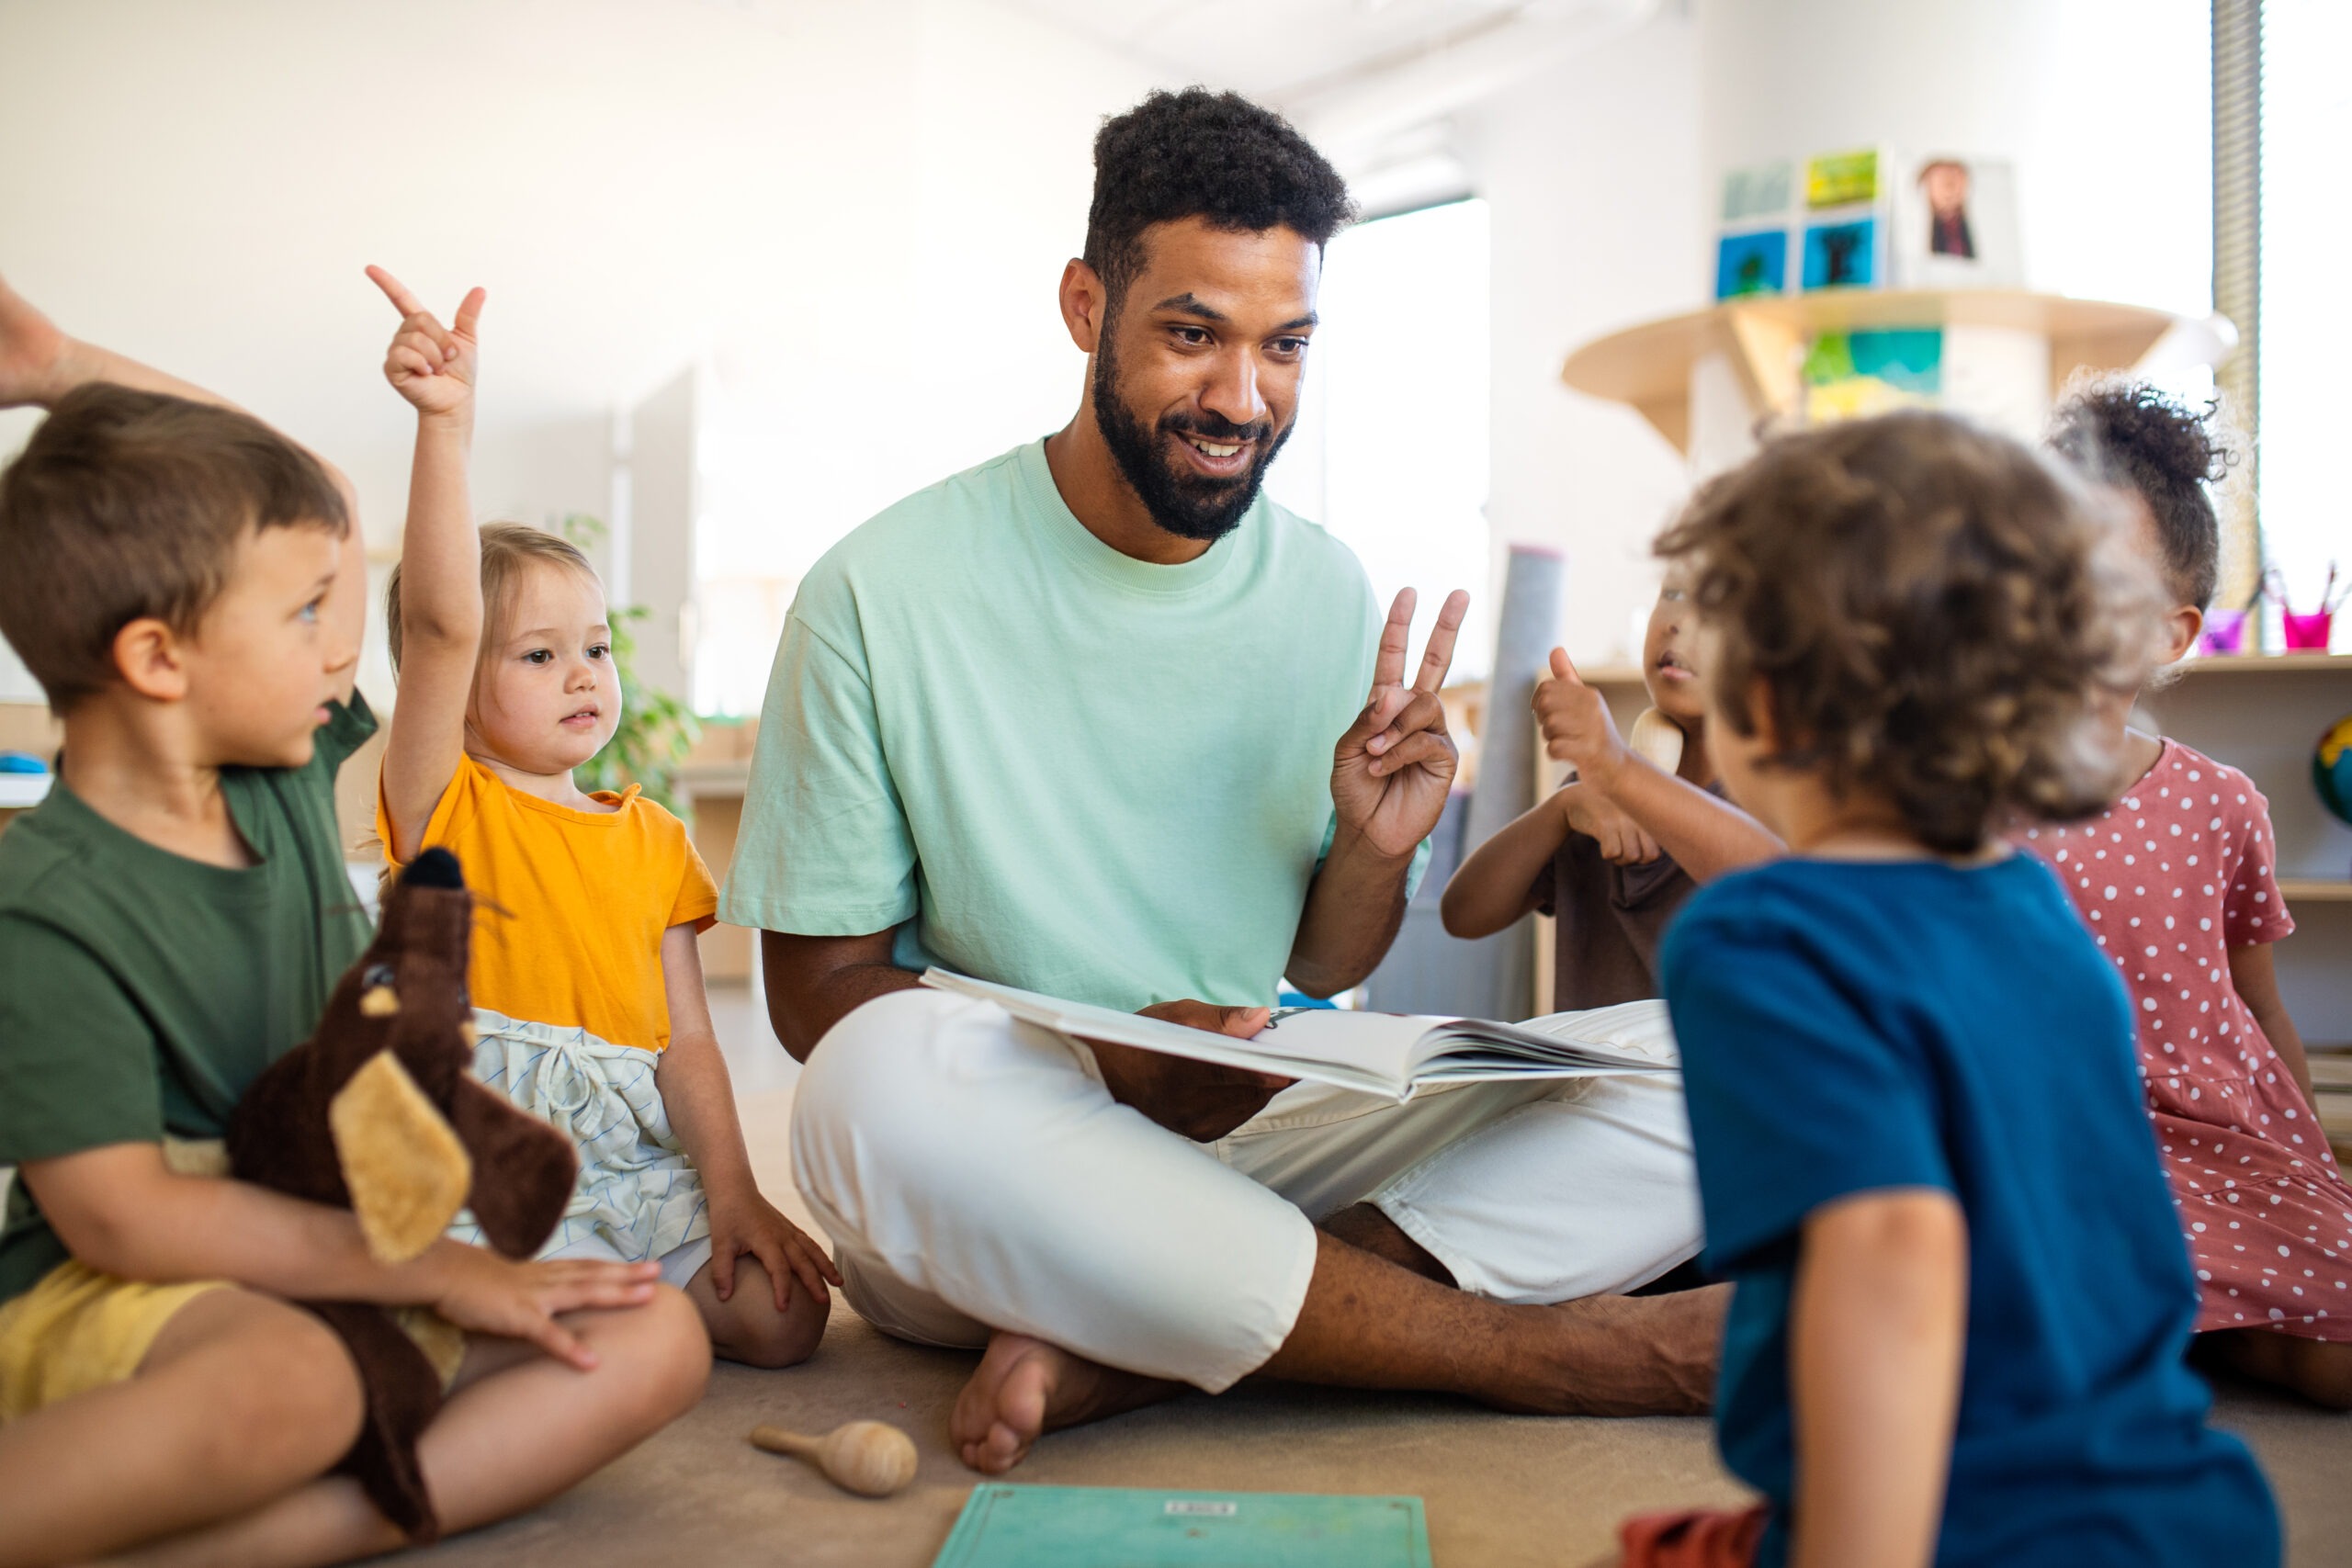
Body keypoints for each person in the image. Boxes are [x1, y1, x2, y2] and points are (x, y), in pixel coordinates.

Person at [722, 87, 1719, 1475]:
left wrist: (1375, 848)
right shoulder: (875, 592)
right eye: (1194, 335)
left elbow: (1321, 956)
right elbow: (814, 1000)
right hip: (1011, 1180)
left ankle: (1139, 1352)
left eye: (1285, 345)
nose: (1242, 400)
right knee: (870, 1083)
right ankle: (1534, 1353)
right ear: (1086, 306)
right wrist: (1105, 1061)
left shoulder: (1323, 589)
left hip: (1268, 1135)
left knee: (1735, 1054)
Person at [0, 274, 708, 1566]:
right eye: (308, 613)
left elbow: (381, 561)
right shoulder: (44, 905)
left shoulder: (271, 776)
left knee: (654, 1332)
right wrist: (440, 1273)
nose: (347, 648)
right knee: (300, 1381)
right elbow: (126, 1220)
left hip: (345, 1242)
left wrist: (57, 367)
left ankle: (274, 1530)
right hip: (127, 1290)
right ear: (164, 660)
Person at [1622, 410, 2278, 1567]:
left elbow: (1889, 1255)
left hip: (1969, 1531)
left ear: (1761, 706)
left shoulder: (1760, 937)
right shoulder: (2041, 916)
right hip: (2189, 1512)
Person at [364, 269, 839, 1371]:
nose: (583, 673)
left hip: (627, 1167)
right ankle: (527, 1314)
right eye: (538, 655)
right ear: (459, 682)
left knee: (785, 1319)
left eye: (596, 647)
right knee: (409, 1330)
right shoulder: (442, 803)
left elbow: (690, 1047)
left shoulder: (655, 840)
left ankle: (586, 1312)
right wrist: (447, 427)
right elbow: (439, 625)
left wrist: (735, 1197)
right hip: (477, 1171)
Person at [2031, 381, 2352, 1407]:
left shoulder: (2223, 804)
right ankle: (2167, 1314)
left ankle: (2203, 1325)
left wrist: (2312, 1162)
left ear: (2171, 634)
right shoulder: (1956, 791)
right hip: (2060, 1141)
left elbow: (2257, 1005)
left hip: (2223, 1138)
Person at [1442, 566, 1765, 1009]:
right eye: (1671, 591)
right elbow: (1461, 914)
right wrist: (1562, 808)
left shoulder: (1773, 807)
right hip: (1584, 1080)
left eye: (1715, 604)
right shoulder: (1594, 796)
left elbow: (1775, 892)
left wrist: (1618, 771)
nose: (1679, 620)